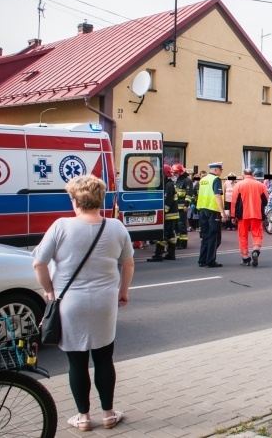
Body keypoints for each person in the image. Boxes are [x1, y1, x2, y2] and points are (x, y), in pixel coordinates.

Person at [32, 174, 134, 432]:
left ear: (76, 200)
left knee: (76, 362)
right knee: (104, 358)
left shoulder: (61, 226)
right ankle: (109, 414)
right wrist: (123, 291)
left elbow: (39, 262)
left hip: (70, 302)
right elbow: (128, 262)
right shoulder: (116, 227)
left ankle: (83, 417)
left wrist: (48, 291)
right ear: (100, 199)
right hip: (105, 302)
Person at [231, 168, 268, 267]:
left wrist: (233, 216)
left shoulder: (238, 185)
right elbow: (266, 201)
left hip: (242, 215)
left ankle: (245, 258)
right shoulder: (260, 185)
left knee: (243, 236)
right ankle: (256, 250)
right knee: (257, 235)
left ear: (243, 174)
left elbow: (234, 202)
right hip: (257, 214)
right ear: (253, 174)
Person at [196, 162, 224, 268]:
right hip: (213, 210)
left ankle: (202, 260)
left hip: (202, 209)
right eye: (221, 170)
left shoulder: (203, 180)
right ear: (216, 170)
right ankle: (210, 260)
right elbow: (217, 195)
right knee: (214, 236)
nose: (221, 172)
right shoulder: (216, 180)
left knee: (205, 236)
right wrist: (222, 211)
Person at [148, 165, 178, 262]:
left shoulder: (168, 185)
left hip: (168, 214)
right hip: (172, 214)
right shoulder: (168, 184)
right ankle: (171, 254)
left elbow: (168, 200)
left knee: (162, 234)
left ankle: (158, 254)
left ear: (163, 174)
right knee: (170, 235)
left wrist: (163, 212)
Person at [172, 164, 193, 250]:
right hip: (176, 207)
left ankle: (183, 243)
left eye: (176, 172)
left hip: (183, 207)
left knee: (182, 225)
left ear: (180, 172)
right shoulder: (178, 181)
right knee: (176, 225)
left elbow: (189, 194)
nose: (174, 174)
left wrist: (186, 205)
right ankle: (178, 241)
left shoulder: (187, 181)